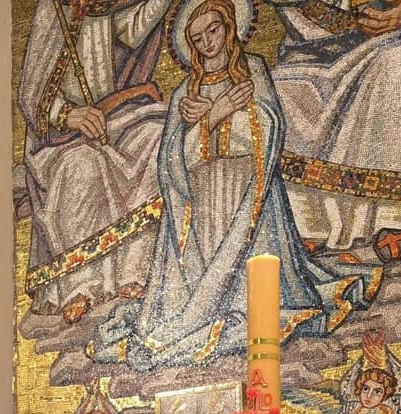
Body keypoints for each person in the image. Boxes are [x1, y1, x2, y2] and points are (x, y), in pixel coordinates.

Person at [90, 0, 378, 372]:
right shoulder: (185, 92)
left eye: (213, 30)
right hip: (204, 203)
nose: (208, 42)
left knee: (248, 271)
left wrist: (221, 119)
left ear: (230, 27)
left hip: (247, 193)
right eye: (198, 38)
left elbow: (270, 128)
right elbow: (172, 161)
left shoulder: (252, 69)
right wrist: (213, 116)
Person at [269, 0, 401, 258]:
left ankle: (396, 216)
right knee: (280, 86)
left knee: (397, 63)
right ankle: (311, 220)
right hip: (316, 51)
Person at [16, 0, 170, 325]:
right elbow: (30, 94)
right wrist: (68, 114)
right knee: (82, 166)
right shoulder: (53, 9)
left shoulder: (105, 5)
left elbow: (133, 31)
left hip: (114, 118)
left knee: (158, 139)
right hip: (60, 139)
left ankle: (135, 269)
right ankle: (81, 285)